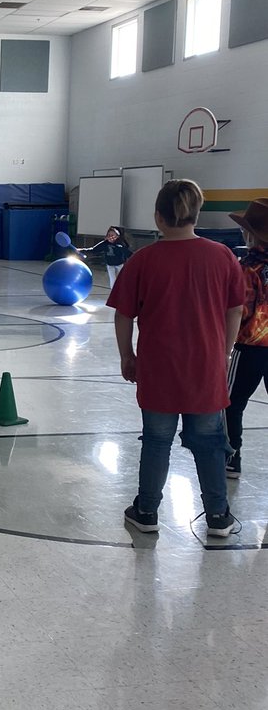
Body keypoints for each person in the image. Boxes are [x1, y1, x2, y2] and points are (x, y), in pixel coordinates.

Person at [107, 179, 244, 539]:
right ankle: (218, 516)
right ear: (196, 214)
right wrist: (224, 351)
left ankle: (147, 510)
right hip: (205, 371)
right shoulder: (222, 256)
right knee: (210, 443)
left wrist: (127, 355)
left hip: (158, 371)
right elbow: (235, 310)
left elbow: (123, 314)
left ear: (158, 217)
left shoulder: (143, 260)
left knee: (156, 441)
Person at [224, 199, 268, 479]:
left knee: (232, 402)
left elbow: (240, 310)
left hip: (250, 346)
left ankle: (232, 456)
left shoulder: (247, 267)